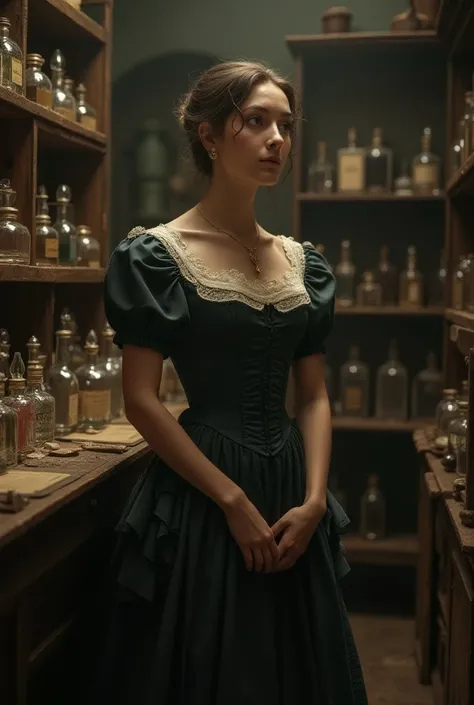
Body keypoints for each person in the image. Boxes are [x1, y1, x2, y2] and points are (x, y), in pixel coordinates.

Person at [98, 59, 368, 705]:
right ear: (209, 135)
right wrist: (232, 502)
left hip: (289, 485)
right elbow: (140, 398)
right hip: (207, 491)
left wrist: (312, 504)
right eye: (257, 121)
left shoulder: (303, 261)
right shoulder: (158, 254)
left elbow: (313, 395)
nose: (277, 138)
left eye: (285, 124)